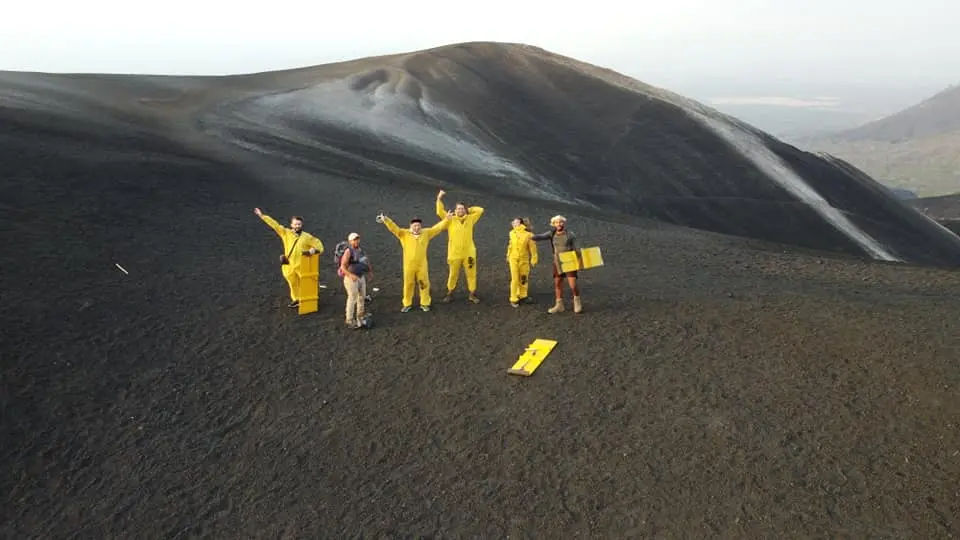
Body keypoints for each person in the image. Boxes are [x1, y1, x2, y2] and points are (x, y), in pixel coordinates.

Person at [378, 210, 452, 312]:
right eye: (414, 226)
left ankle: (425, 303)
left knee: (423, 283)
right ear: (410, 226)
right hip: (409, 265)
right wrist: (386, 220)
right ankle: (407, 303)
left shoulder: (426, 233)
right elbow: (394, 229)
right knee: (408, 284)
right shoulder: (404, 234)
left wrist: (446, 219)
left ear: (420, 226)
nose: (416, 228)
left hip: (422, 265)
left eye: (418, 225)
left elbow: (437, 228)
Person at [254, 207, 324, 308]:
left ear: (302, 225)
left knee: (306, 281)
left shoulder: (307, 236)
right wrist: (262, 216)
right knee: (292, 282)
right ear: (291, 225)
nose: (297, 226)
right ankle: (296, 299)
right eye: (295, 224)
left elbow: (319, 245)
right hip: (289, 264)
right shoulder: (285, 233)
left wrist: (314, 250)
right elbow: (275, 225)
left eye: (299, 224)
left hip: (301, 264)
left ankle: (309, 299)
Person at [435, 190, 484, 304]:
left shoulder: (471, 219)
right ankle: (450, 293)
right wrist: (439, 198)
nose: (460, 210)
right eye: (458, 209)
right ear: (455, 210)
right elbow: (439, 211)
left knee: (471, 273)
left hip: (469, 252)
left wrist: (469, 210)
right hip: (454, 253)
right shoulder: (450, 219)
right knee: (453, 274)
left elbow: (480, 210)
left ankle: (472, 293)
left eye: (462, 209)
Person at [531, 215, 583, 314]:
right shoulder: (552, 233)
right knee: (558, 283)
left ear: (564, 223)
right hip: (557, 261)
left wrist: (580, 257)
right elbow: (540, 237)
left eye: (560, 222)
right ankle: (559, 305)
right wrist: (529, 235)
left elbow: (577, 247)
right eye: (556, 222)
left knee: (573, 284)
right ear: (553, 224)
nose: (559, 224)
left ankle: (577, 302)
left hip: (569, 261)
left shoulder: (570, 234)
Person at [340, 232, 373, 329]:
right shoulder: (348, 251)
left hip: (360, 277)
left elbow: (366, 261)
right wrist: (350, 275)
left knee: (362, 297)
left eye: (357, 239)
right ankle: (349, 319)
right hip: (351, 278)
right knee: (352, 298)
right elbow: (343, 266)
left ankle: (360, 315)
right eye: (354, 239)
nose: (356, 241)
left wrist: (370, 272)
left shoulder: (361, 250)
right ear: (350, 241)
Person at [506, 217, 538, 307]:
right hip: (514, 258)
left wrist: (534, 258)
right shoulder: (511, 233)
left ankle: (523, 295)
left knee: (523, 277)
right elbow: (510, 245)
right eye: (514, 223)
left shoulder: (529, 235)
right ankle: (513, 298)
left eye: (516, 223)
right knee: (515, 278)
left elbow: (533, 248)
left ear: (521, 224)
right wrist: (508, 255)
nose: (514, 224)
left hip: (524, 259)